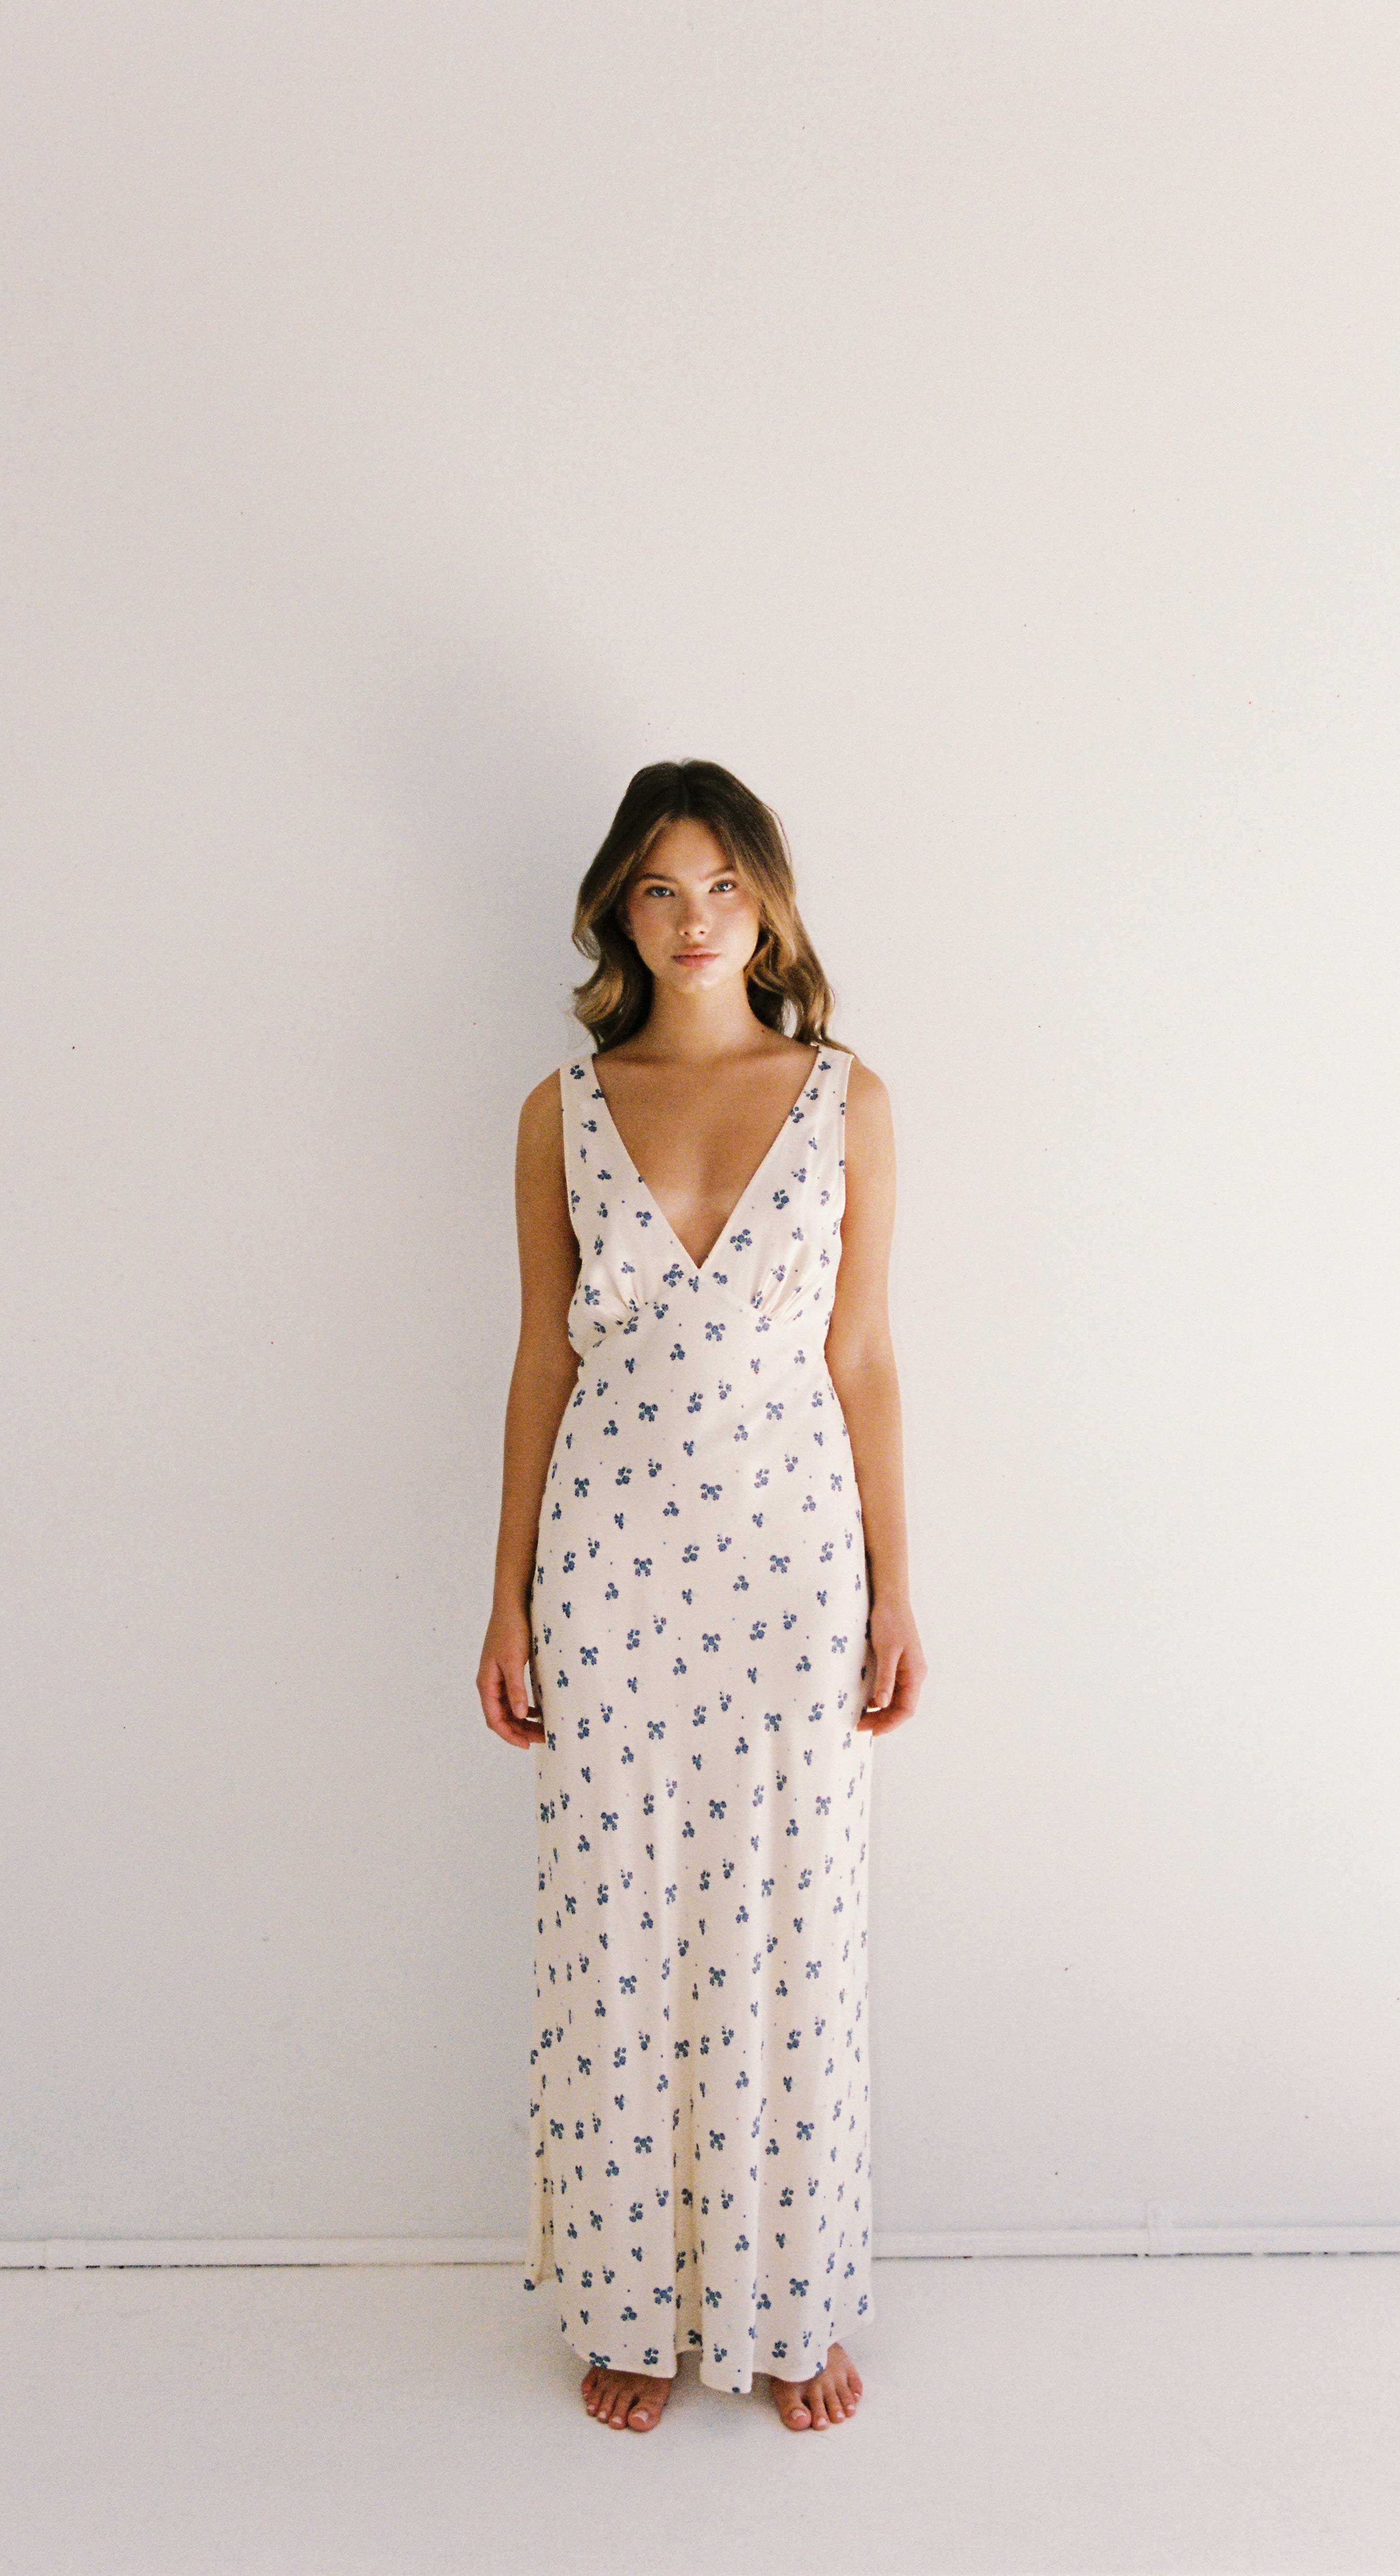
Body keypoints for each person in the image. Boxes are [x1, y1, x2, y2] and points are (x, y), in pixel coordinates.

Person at [478, 758, 924, 2433]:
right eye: (658, 888)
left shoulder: (845, 1098)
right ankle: (625, 2304)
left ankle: (790, 2304)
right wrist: (508, 1596)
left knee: (794, 1923)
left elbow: (862, 1354)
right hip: (605, 1561)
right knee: (619, 1926)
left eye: (720, 884)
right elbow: (539, 1358)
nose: (689, 919)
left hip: (793, 1566)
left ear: (768, 903)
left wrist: (893, 1585)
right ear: (618, 906)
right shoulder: (561, 1109)